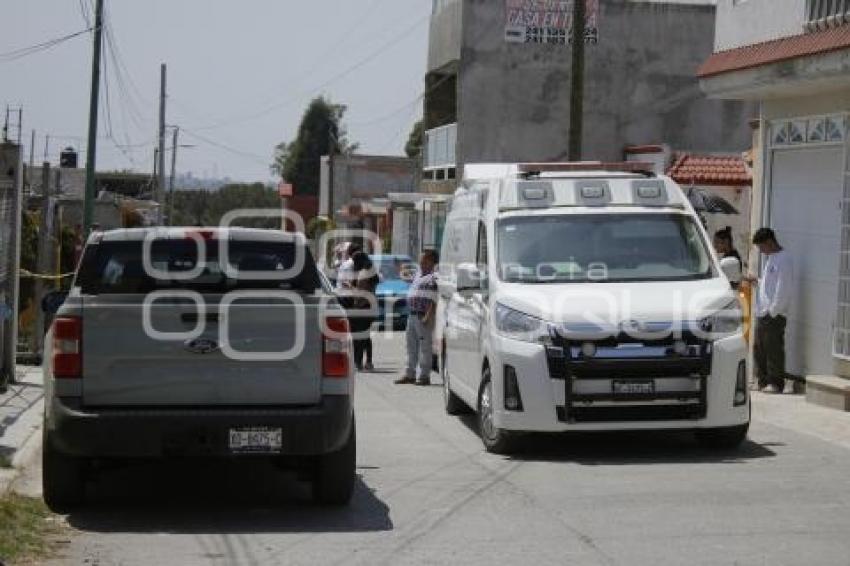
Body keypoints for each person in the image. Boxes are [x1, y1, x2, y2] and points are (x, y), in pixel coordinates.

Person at [748, 227, 794, 394]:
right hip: (763, 312)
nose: (761, 251)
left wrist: (773, 311)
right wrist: (757, 281)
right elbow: (769, 285)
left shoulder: (784, 259)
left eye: (761, 247)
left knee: (773, 349)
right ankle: (762, 381)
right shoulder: (771, 259)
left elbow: (783, 288)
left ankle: (776, 383)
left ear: (769, 242)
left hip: (774, 314)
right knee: (759, 348)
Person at [395, 249, 439, 386]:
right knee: (411, 346)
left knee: (424, 347)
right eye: (420, 259)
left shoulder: (434, 276)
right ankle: (410, 374)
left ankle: (424, 376)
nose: (421, 262)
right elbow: (407, 279)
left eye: (424, 259)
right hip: (412, 315)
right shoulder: (419, 274)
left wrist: (428, 315)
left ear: (432, 261)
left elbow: (434, 298)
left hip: (423, 316)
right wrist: (399, 268)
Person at [349, 250, 378, 371]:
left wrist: (350, 287)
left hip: (362, 307)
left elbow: (360, 293)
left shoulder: (363, 274)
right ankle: (368, 362)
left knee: (359, 336)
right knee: (365, 335)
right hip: (370, 307)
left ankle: (358, 362)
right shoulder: (371, 271)